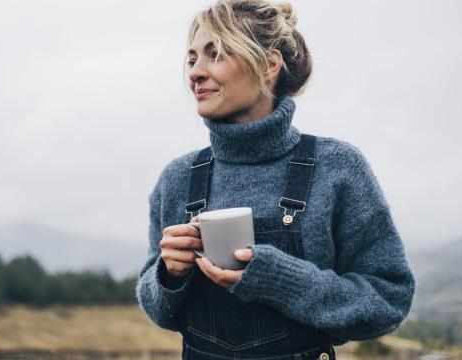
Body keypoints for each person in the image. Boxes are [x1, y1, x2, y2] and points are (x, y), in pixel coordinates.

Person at [135, 0, 416, 359]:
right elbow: (157, 309)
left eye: (216, 54)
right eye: (191, 59)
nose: (195, 73)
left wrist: (279, 279)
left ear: (268, 66)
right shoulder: (177, 179)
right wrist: (169, 276)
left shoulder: (337, 168)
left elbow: (388, 299)